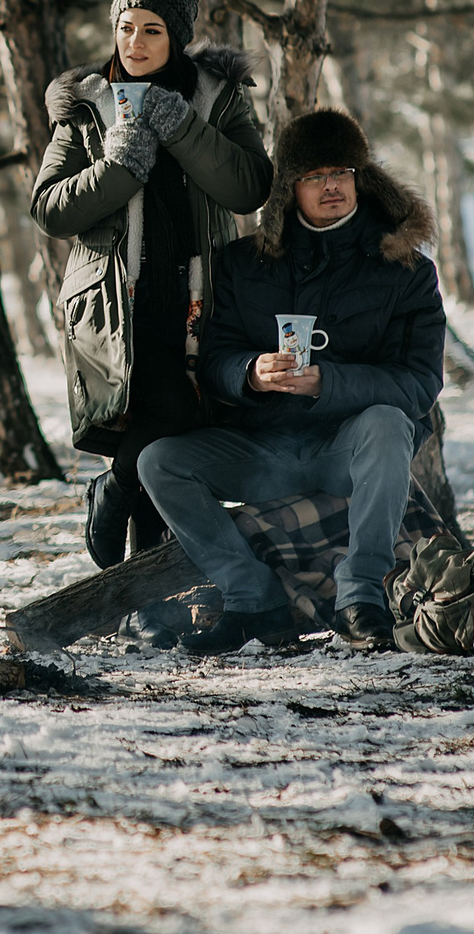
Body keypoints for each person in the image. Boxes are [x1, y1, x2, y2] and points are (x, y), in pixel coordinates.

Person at [136, 107, 444, 654]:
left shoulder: (405, 270)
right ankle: (252, 599)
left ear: (361, 177)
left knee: (388, 423)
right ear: (288, 187)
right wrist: (250, 374)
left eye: (344, 173)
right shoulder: (243, 263)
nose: (333, 186)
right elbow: (215, 358)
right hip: (262, 447)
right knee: (160, 462)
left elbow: (420, 383)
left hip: (347, 447)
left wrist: (330, 383)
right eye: (315, 176)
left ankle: (361, 595)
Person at [31, 0, 273, 570]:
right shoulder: (85, 104)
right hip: (114, 303)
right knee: (164, 415)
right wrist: (119, 167)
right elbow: (50, 209)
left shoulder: (217, 95)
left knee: (176, 430)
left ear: (178, 38)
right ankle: (118, 523)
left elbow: (249, 188)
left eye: (152, 31)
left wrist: (181, 128)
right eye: (125, 28)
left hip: (200, 298)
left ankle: (124, 529)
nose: (134, 42)